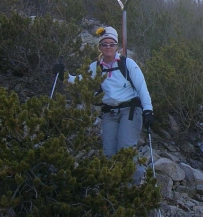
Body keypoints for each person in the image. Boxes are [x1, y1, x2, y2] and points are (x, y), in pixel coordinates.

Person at [60, 26, 154, 182]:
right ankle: (113, 186)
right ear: (100, 47)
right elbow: (78, 82)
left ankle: (135, 185)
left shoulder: (128, 64)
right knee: (109, 153)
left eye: (111, 44)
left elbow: (142, 88)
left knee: (125, 149)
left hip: (129, 111)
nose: (108, 47)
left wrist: (148, 111)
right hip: (109, 113)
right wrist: (63, 74)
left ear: (116, 46)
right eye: (105, 44)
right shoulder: (96, 67)